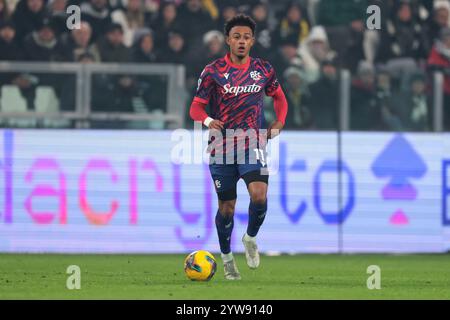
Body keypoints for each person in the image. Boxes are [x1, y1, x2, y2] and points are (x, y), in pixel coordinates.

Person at [189, 14, 288, 280]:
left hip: (252, 140)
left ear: (252, 41)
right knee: (227, 208)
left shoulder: (264, 70)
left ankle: (250, 238)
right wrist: (209, 120)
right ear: (228, 40)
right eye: (236, 37)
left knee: (259, 195)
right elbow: (195, 107)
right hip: (221, 145)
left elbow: (279, 97)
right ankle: (226, 257)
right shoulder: (212, 71)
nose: (241, 41)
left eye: (246, 37)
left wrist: (279, 122)